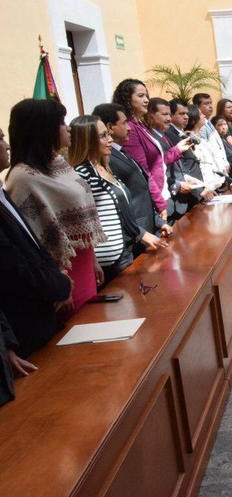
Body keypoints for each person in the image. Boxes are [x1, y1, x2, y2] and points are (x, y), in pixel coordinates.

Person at [5, 99, 106, 314]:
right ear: (43, 129)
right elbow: (34, 236)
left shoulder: (60, 164)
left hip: (83, 263)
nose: (68, 127)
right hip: (61, 272)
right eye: (61, 122)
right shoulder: (23, 177)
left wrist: (93, 259)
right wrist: (59, 280)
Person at [0, 124, 72, 360]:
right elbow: (13, 266)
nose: (6, 145)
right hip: (24, 322)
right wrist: (60, 286)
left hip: (45, 307)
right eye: (0, 139)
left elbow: (32, 245)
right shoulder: (20, 177)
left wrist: (59, 280)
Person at [67, 115, 165, 282]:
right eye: (103, 136)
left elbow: (122, 209)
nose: (110, 139)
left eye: (108, 134)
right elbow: (83, 224)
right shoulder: (82, 174)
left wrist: (142, 233)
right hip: (108, 262)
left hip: (125, 252)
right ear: (87, 140)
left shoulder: (105, 167)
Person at [93, 103, 173, 242]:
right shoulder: (107, 160)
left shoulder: (122, 152)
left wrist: (158, 222)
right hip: (135, 235)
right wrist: (140, 233)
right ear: (110, 127)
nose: (129, 128)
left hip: (147, 228)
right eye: (124, 123)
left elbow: (142, 188)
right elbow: (121, 203)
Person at [113, 79, 178, 219]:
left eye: (146, 95)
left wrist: (178, 151)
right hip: (153, 202)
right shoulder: (130, 129)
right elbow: (143, 171)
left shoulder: (141, 126)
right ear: (127, 99)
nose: (147, 100)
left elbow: (158, 162)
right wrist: (160, 204)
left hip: (162, 192)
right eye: (141, 96)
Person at [166, 99, 215, 217]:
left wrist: (204, 188)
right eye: (181, 114)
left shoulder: (183, 134)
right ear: (171, 115)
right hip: (185, 197)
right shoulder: (169, 135)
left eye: (187, 114)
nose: (186, 117)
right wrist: (200, 191)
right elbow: (185, 168)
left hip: (198, 192)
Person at [185, 104, 226, 192]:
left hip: (214, 186)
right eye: (200, 114)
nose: (203, 116)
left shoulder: (201, 139)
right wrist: (206, 188)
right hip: (205, 189)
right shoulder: (190, 141)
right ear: (194, 118)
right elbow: (202, 166)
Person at [193, 92, 231, 176]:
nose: (210, 106)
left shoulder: (208, 122)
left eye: (210, 103)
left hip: (222, 169)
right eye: (206, 104)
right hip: (214, 172)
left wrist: (225, 163)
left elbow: (218, 147)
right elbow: (207, 151)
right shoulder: (201, 126)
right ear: (197, 107)